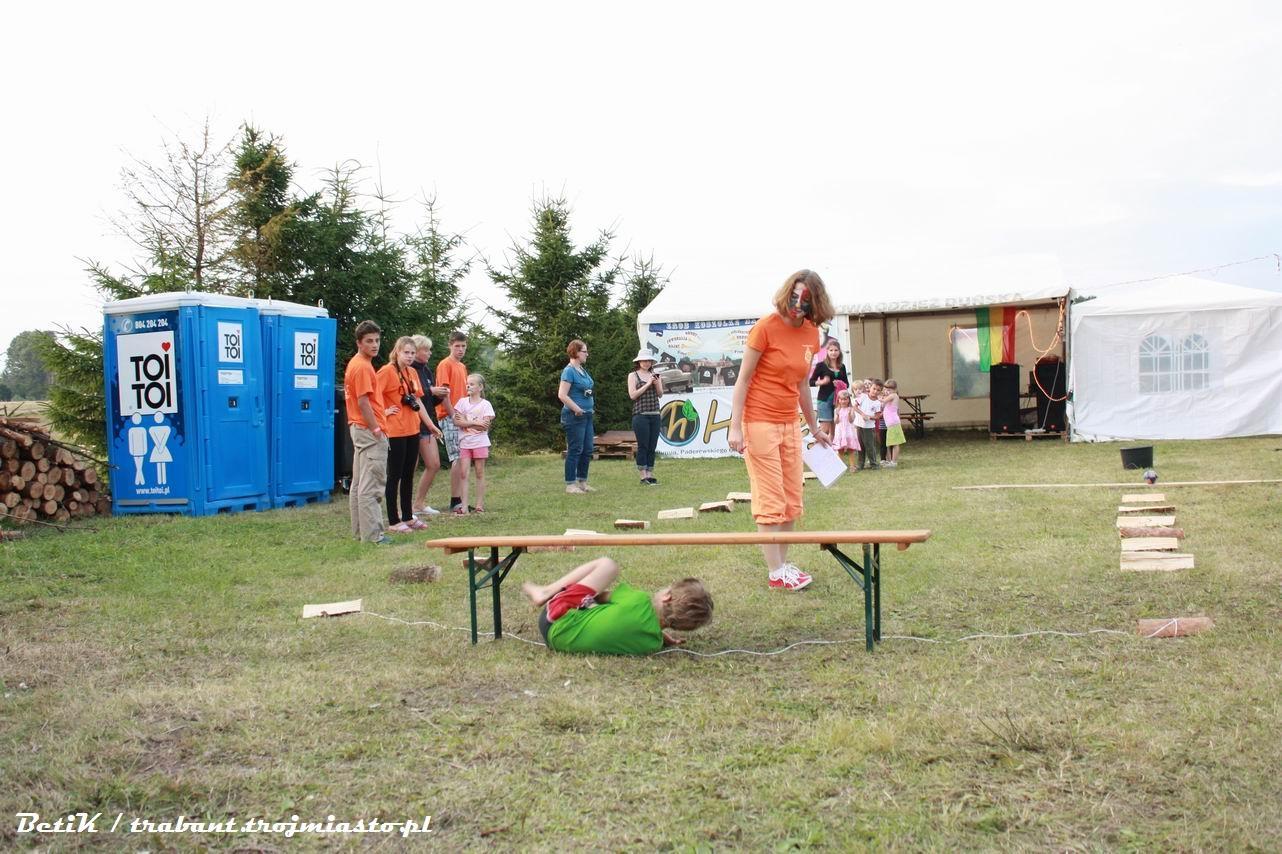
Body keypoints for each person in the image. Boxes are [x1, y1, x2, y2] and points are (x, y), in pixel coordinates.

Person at [727, 269, 835, 591]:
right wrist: (735, 428)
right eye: (794, 296)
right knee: (771, 499)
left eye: (806, 300)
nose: (798, 304)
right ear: (787, 293)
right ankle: (776, 572)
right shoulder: (765, 327)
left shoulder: (812, 333)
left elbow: (802, 384)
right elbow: (743, 380)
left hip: (790, 423)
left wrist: (813, 427)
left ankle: (783, 566)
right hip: (759, 422)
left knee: (791, 498)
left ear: (816, 303)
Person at [521, 557, 713, 655]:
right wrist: (660, 635)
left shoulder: (639, 600)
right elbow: (629, 628)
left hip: (555, 619)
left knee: (608, 565)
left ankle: (546, 591)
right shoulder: (652, 645)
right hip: (558, 643)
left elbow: (599, 596)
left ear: (666, 597)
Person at [377, 336, 443, 532]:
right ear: (397, 352)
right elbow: (371, 397)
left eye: (412, 353)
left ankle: (408, 516)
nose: (409, 356)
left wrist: (430, 424)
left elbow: (417, 400)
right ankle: (394, 520)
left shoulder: (412, 372)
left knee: (408, 474)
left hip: (412, 428)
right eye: (406, 352)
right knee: (395, 475)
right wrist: (384, 412)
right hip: (395, 431)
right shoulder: (386, 371)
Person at [344, 320, 391, 544]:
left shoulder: (356, 363)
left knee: (358, 484)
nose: (374, 345)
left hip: (358, 428)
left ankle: (360, 533)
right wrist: (376, 428)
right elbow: (363, 401)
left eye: (377, 340)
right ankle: (373, 536)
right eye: (369, 341)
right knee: (371, 485)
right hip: (368, 430)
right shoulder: (362, 366)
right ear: (359, 343)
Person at [410, 334, 450, 516]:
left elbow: (428, 401)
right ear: (416, 350)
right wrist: (430, 390)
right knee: (409, 468)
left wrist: (439, 395)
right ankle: (403, 507)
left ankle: (419, 503)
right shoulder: (409, 370)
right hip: (411, 424)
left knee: (434, 464)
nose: (429, 353)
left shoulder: (426, 370)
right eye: (426, 349)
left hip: (427, 424)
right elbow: (412, 396)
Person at [435, 331, 470, 512]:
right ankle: (455, 500)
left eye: (463, 346)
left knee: (463, 456)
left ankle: (462, 498)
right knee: (457, 457)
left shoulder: (462, 367)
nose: (460, 349)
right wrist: (453, 415)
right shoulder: (445, 364)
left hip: (461, 416)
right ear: (450, 346)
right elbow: (443, 393)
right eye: (457, 346)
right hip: (449, 416)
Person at [452, 373, 495, 515]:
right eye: (467, 384)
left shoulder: (486, 404)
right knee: (464, 473)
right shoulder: (462, 402)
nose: (468, 386)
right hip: (465, 442)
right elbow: (456, 421)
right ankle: (464, 506)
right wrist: (474, 422)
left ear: (480, 387)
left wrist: (466, 421)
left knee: (479, 472)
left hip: (480, 442)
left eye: (472, 384)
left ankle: (479, 505)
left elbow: (485, 426)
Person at [558, 339, 596, 495]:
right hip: (574, 416)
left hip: (587, 416)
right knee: (575, 449)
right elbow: (562, 395)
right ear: (575, 352)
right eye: (584, 351)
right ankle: (570, 484)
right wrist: (577, 409)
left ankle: (582, 482)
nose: (587, 354)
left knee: (587, 449)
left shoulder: (582, 370)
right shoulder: (569, 371)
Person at [627, 349, 664, 485]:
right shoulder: (633, 375)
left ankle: (650, 474)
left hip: (655, 414)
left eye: (649, 360)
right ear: (638, 362)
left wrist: (657, 383)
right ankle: (643, 476)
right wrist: (648, 384)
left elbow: (660, 394)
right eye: (644, 360)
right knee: (643, 445)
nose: (646, 363)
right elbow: (633, 395)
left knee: (652, 446)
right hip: (640, 415)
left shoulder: (655, 375)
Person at [809, 338, 848, 439]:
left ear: (839, 352)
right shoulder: (821, 365)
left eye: (836, 350)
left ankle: (831, 449)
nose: (833, 352)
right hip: (824, 400)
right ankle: (817, 448)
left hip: (838, 402)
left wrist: (840, 384)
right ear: (827, 351)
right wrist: (821, 382)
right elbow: (810, 382)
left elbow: (847, 384)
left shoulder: (842, 366)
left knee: (834, 431)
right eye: (831, 350)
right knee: (824, 430)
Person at [854, 379, 883, 471]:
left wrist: (869, 417)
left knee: (870, 446)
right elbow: (855, 407)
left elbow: (877, 416)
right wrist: (863, 414)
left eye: (878, 390)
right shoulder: (863, 397)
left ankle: (873, 464)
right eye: (874, 388)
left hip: (869, 428)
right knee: (860, 445)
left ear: (880, 391)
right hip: (859, 425)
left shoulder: (877, 403)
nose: (875, 391)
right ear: (870, 388)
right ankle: (860, 464)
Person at [831, 388, 861, 471]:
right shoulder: (836, 410)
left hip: (849, 431)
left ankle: (852, 466)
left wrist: (849, 414)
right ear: (838, 400)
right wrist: (837, 415)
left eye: (845, 399)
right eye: (841, 399)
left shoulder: (851, 409)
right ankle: (839, 467)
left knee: (851, 449)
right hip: (840, 432)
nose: (843, 401)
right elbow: (836, 422)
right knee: (840, 450)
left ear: (848, 400)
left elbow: (851, 420)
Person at [881, 379, 906, 467]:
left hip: (893, 423)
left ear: (895, 390)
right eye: (886, 389)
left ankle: (894, 462)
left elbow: (883, 401)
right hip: (890, 424)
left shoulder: (894, 395)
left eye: (889, 390)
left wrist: (877, 396)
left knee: (895, 443)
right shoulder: (889, 397)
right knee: (889, 443)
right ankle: (890, 460)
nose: (887, 391)